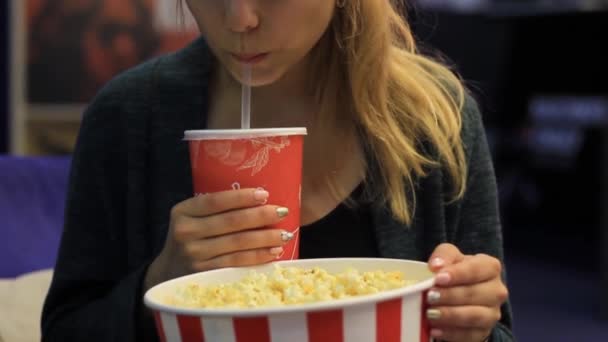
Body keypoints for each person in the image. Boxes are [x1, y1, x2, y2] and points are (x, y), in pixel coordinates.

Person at [41, 1, 513, 341]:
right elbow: (66, 329)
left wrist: (468, 324)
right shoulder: (128, 116)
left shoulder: (434, 117)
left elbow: (496, 329)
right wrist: (158, 282)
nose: (239, 19)